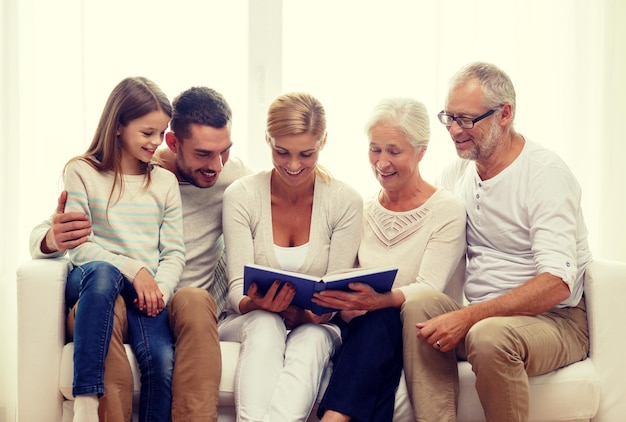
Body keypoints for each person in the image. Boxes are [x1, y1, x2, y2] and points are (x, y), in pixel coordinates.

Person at [30, 86, 252, 422]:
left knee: (194, 299)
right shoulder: (117, 171)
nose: (217, 166)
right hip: (117, 293)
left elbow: (272, 200)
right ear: (173, 143)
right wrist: (50, 239)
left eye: (225, 152)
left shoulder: (233, 179)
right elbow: (51, 234)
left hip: (173, 300)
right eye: (204, 154)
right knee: (111, 300)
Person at [401, 62, 592, 422]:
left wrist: (469, 316)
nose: (455, 131)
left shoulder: (544, 175)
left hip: (555, 320)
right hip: (484, 317)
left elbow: (556, 282)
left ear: (505, 114)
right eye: (449, 118)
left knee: (489, 336)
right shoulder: (457, 173)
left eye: (466, 120)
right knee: (418, 308)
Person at [310, 98, 467, 422]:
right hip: (359, 327)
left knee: (382, 320)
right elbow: (345, 274)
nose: (382, 163)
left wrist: (378, 301)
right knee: (373, 325)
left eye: (394, 152)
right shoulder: (361, 209)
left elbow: (428, 288)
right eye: (374, 150)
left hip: (416, 330)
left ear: (421, 151)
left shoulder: (445, 209)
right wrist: (341, 302)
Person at [219, 92, 363, 422]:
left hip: (315, 324)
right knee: (266, 322)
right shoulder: (241, 195)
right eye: (281, 152)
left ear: (323, 141)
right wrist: (260, 304)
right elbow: (236, 289)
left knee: (312, 340)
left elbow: (336, 288)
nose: (293, 165)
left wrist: (315, 316)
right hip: (249, 318)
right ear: (267, 139)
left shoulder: (344, 201)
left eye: (306, 154)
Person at [59, 76, 185, 422]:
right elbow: (79, 247)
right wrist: (135, 269)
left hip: (145, 293)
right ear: (117, 126)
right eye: (147, 133)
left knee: (160, 363)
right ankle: (86, 401)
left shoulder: (164, 182)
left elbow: (174, 252)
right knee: (103, 273)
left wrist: (158, 289)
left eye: (161, 133)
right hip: (93, 282)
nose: (156, 142)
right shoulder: (81, 171)